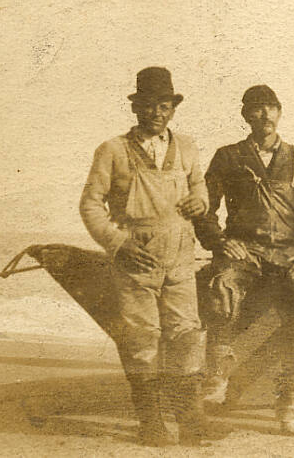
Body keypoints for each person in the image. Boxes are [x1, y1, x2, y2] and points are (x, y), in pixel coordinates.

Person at [79, 67, 209, 447]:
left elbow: (199, 185)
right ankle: (150, 422)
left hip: (181, 253)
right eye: (149, 105)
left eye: (164, 105)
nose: (157, 112)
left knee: (186, 334)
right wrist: (118, 244)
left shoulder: (186, 146)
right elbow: (90, 205)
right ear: (136, 107)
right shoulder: (113, 150)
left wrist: (199, 200)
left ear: (172, 108)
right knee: (142, 338)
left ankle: (189, 421)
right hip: (136, 257)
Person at [193, 85, 294, 436]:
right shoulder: (228, 155)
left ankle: (289, 402)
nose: (265, 115)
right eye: (256, 109)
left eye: (271, 108)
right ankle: (217, 377)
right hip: (245, 250)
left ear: (280, 113)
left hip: (288, 254)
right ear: (245, 116)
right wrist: (219, 243)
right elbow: (204, 205)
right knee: (221, 288)